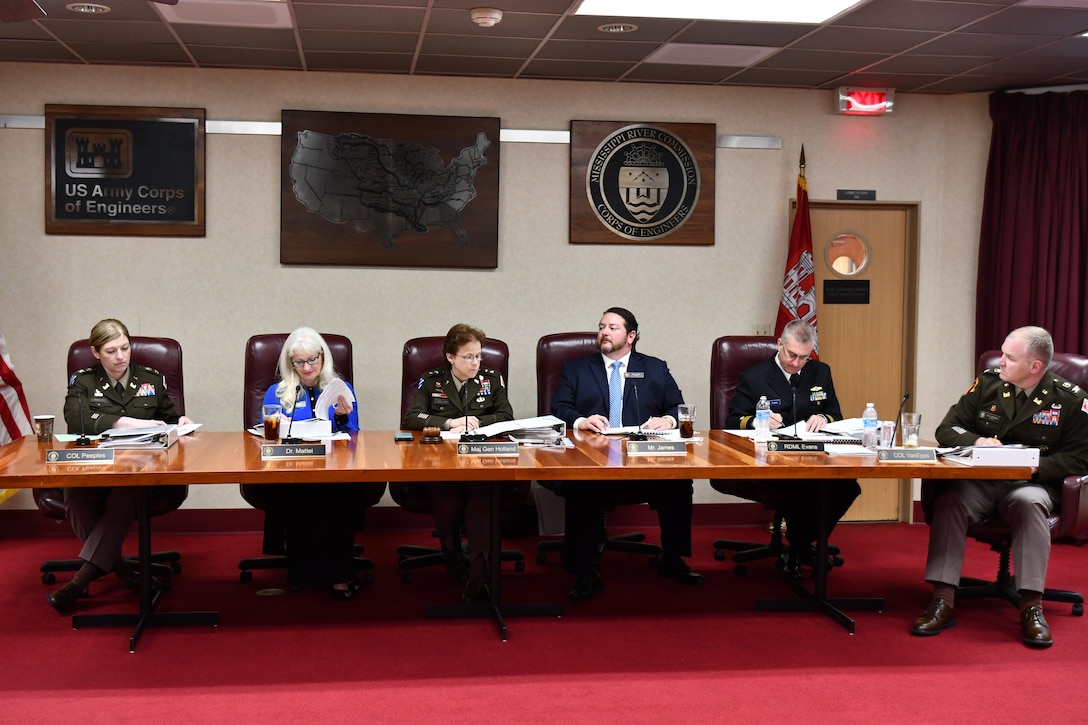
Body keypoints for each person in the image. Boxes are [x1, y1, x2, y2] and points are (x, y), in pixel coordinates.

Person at [912, 326, 1088, 648]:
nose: (1000, 362)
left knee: (1029, 504)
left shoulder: (1071, 400)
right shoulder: (989, 385)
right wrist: (977, 440)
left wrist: (1034, 466)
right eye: (1002, 354)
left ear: (1035, 366)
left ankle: (1031, 607)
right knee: (951, 500)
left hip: (1030, 484)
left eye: (1009, 357)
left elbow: (1080, 459)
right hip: (982, 482)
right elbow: (947, 428)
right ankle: (943, 599)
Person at [551, 307, 703, 602]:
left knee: (679, 481)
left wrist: (668, 421)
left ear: (631, 336)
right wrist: (582, 421)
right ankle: (586, 570)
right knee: (582, 487)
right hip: (592, 458)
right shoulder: (576, 368)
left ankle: (672, 560)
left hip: (643, 458)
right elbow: (559, 408)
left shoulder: (655, 368)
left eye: (612, 327)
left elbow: (676, 407)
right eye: (601, 326)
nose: (604, 332)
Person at [51, 318, 195, 614]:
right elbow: (77, 420)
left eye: (125, 348)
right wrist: (125, 421)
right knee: (74, 497)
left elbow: (170, 418)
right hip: (94, 468)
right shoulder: (84, 381)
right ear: (95, 352)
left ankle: (78, 583)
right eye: (111, 351)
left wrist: (181, 422)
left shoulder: (151, 378)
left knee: (127, 491)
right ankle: (124, 572)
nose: (120, 357)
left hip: (139, 470)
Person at [725, 319, 861, 578]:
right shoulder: (754, 376)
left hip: (814, 457)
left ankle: (799, 542)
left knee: (847, 487)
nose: (796, 363)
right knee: (803, 489)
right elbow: (732, 420)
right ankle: (800, 548)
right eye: (791, 355)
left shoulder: (820, 372)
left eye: (803, 358)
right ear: (779, 345)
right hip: (771, 459)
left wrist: (824, 419)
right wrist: (759, 420)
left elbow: (836, 415)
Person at [401, 323, 514, 603]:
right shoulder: (432, 380)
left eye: (478, 356)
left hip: (481, 460)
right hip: (442, 462)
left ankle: (477, 572)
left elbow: (506, 416)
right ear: (451, 357)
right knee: (447, 501)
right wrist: (449, 422)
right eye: (468, 357)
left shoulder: (491, 379)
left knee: (479, 500)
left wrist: (479, 421)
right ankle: (452, 559)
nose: (475, 363)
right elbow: (412, 418)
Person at [259, 327, 365, 600]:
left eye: (312, 360)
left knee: (340, 493)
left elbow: (354, 436)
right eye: (299, 362)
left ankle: (340, 572)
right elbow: (267, 435)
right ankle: (302, 570)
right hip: (293, 471)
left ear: (323, 357)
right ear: (290, 363)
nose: (306, 367)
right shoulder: (277, 392)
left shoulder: (340, 389)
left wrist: (342, 418)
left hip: (333, 470)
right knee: (300, 495)